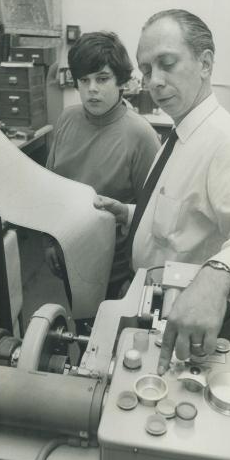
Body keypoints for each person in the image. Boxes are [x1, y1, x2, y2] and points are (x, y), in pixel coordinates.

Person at [94, 9, 230, 374]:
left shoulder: (228, 142)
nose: (154, 81)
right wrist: (130, 213)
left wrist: (217, 276)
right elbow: (184, 220)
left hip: (189, 321)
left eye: (167, 63)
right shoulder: (178, 134)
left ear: (205, 63)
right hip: (152, 306)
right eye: (147, 70)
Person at [44, 31, 160, 315]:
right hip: (68, 257)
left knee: (112, 344)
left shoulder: (140, 135)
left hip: (117, 270)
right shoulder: (66, 120)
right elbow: (49, 187)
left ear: (121, 81)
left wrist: (135, 278)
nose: (92, 89)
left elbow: (153, 215)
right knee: (81, 331)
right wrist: (49, 243)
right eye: (84, 80)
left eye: (102, 78)